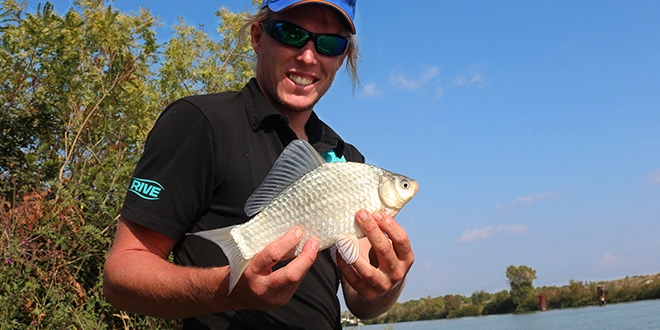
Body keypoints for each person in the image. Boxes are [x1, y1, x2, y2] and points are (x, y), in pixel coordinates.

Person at [102, 0, 414, 328]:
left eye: (330, 43)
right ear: (257, 36)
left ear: (342, 58)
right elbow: (121, 274)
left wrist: (389, 280)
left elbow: (362, 302)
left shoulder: (347, 159)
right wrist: (228, 289)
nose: (309, 56)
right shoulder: (200, 123)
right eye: (291, 33)